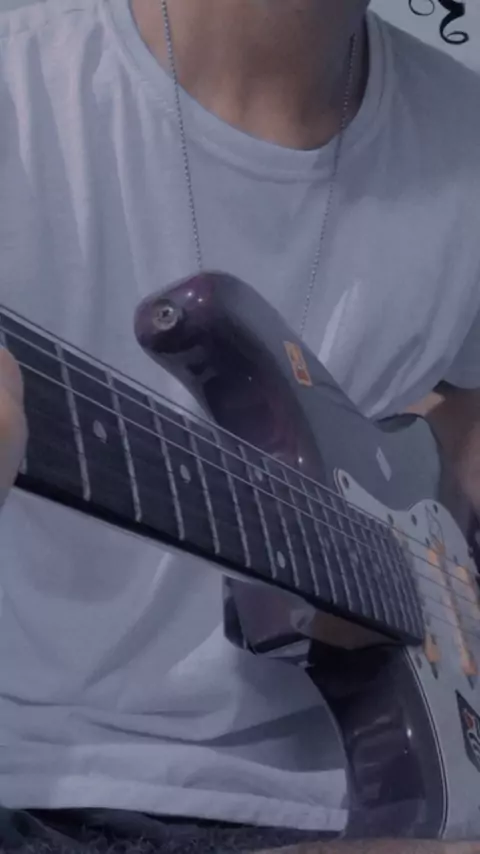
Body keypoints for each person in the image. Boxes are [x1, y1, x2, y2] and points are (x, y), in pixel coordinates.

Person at [0, 0, 480, 851]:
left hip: (372, 805)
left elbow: (464, 429)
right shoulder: (23, 89)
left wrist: (433, 580)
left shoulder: (464, 139)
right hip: (42, 778)